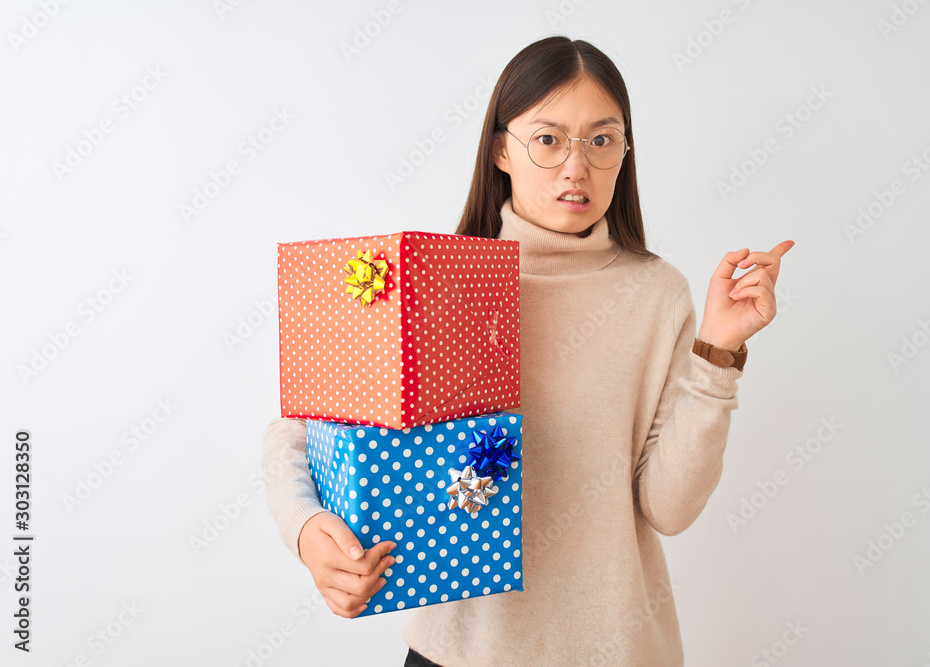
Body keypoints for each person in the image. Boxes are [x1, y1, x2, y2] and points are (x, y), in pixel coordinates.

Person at [262, 35, 793, 666]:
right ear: (500, 151)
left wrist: (718, 354)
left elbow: (668, 509)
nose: (577, 166)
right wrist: (305, 528)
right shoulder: (434, 281)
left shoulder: (658, 296)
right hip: (455, 654)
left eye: (602, 139)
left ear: (625, 151)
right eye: (547, 139)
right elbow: (298, 430)